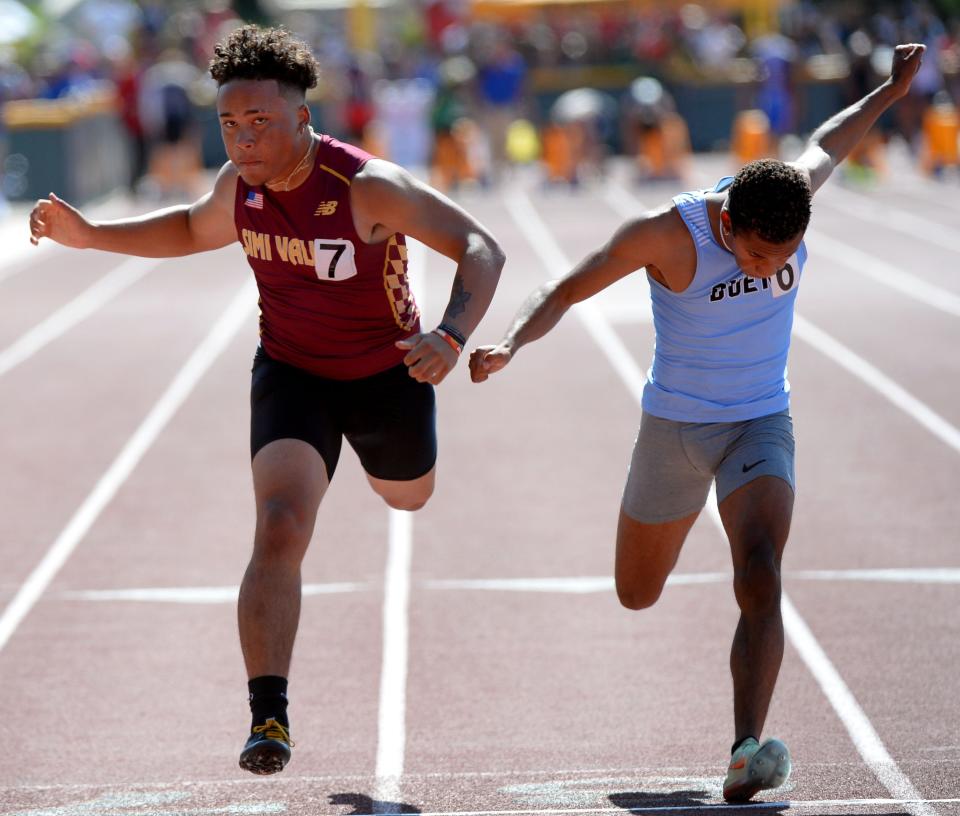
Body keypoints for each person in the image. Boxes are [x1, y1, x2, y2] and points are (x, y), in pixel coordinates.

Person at [29, 25, 504, 776]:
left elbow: (481, 245)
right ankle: (269, 717)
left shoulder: (366, 186)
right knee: (280, 526)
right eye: (229, 124)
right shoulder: (236, 186)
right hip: (293, 373)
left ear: (302, 119)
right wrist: (91, 236)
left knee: (408, 497)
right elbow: (190, 228)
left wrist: (449, 333)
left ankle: (390, 462)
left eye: (260, 123)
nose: (243, 140)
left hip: (388, 377)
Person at [469, 43, 924, 803]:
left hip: (760, 420)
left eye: (781, 258)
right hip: (675, 431)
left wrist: (888, 90)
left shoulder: (786, 196)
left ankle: (746, 748)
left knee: (762, 572)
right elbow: (566, 285)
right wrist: (511, 342)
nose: (762, 269)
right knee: (636, 592)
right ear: (727, 220)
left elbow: (829, 142)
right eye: (752, 254)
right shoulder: (666, 233)